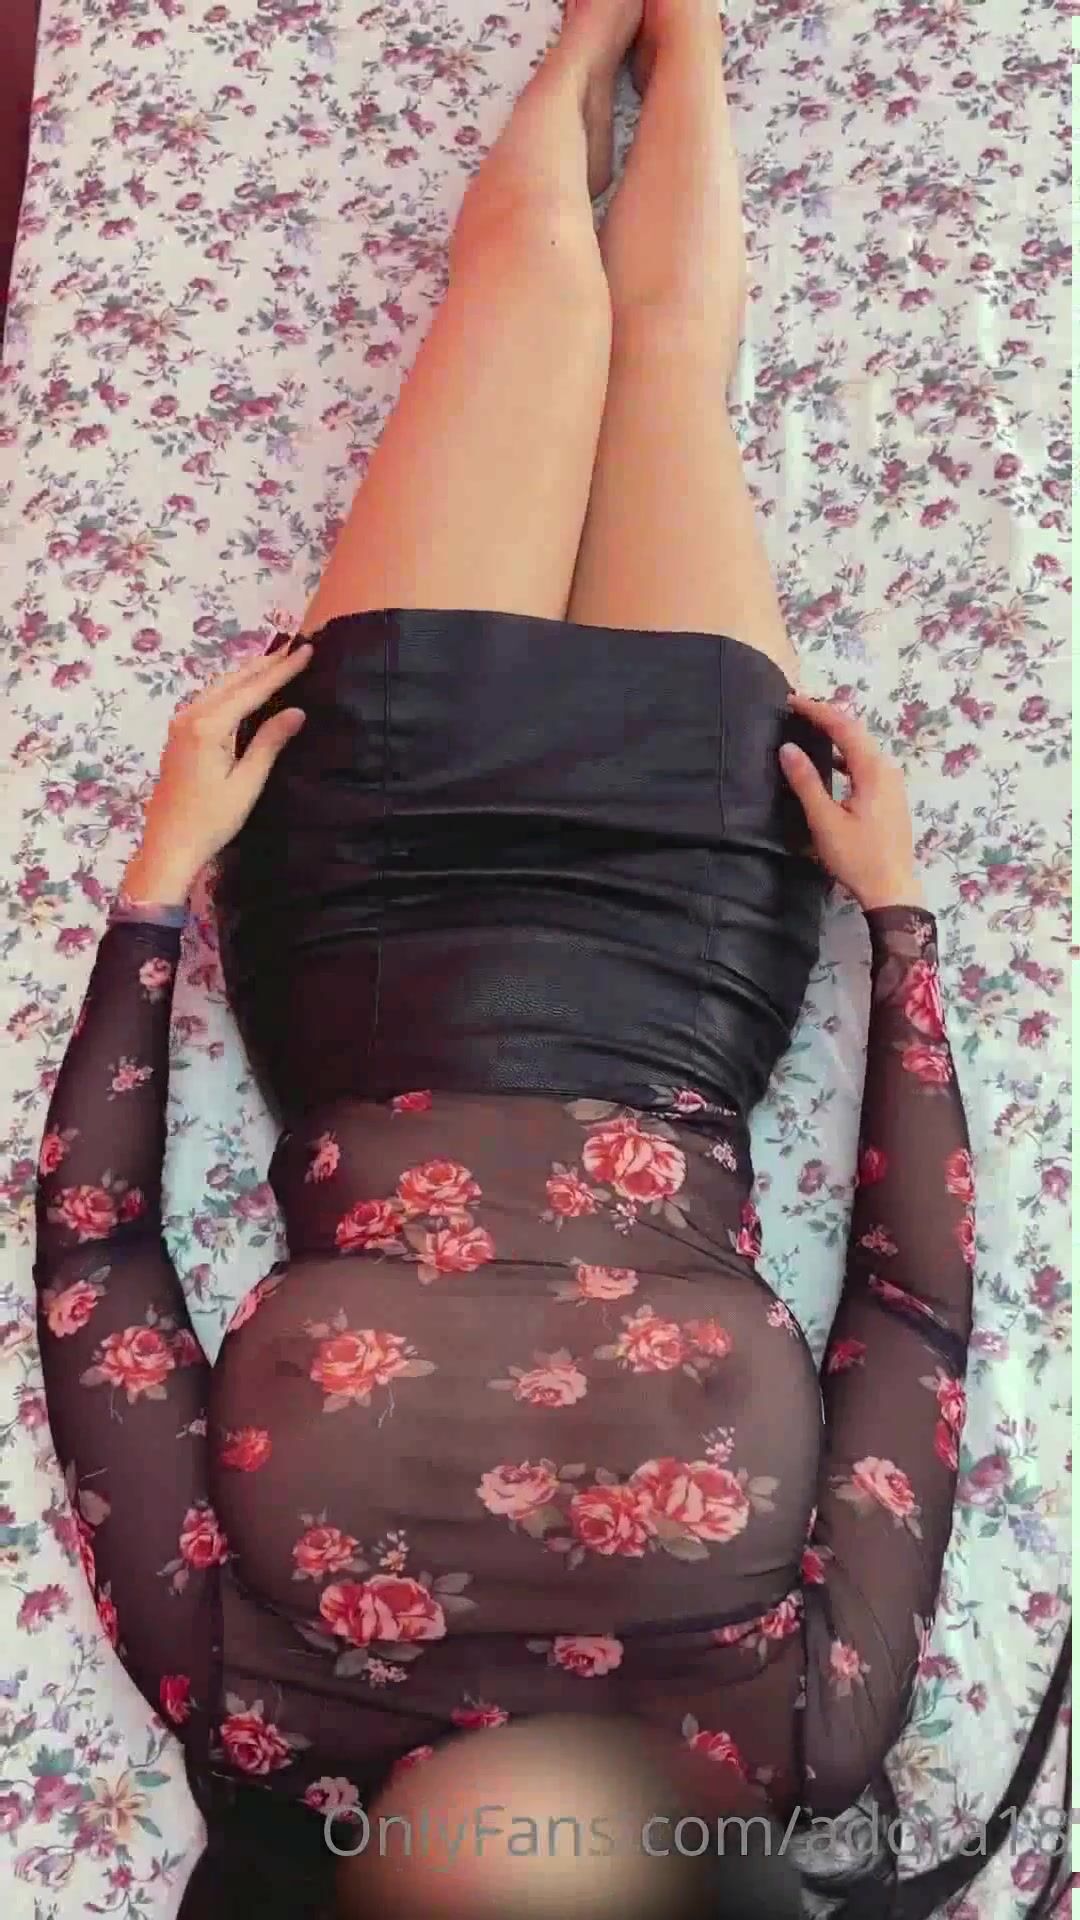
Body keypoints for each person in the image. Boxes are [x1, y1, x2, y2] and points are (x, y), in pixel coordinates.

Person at [29, 0, 1065, 1914]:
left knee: (527, 304)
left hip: (373, 932)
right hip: (687, 955)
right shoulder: (803, 1734)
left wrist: (157, 885)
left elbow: (101, 1259)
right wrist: (901, 925)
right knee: (663, 363)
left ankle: (597, 29)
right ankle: (687, 27)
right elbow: (914, 1313)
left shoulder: (246, 1715)